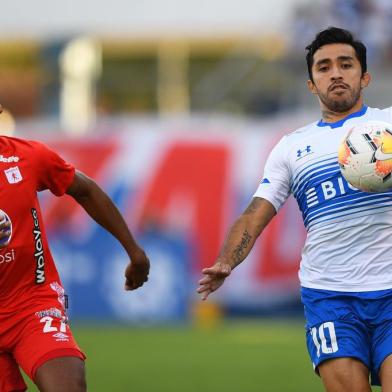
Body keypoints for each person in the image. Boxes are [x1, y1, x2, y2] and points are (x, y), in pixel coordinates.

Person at [197, 26, 392, 391]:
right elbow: (257, 211)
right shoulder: (291, 147)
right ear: (311, 83)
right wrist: (227, 260)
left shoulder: (388, 126)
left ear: (364, 76)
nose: (335, 73)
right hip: (330, 296)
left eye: (346, 64)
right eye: (323, 67)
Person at [0, 111, 150, 392]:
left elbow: (85, 190)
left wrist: (134, 250)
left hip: (32, 303)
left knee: (68, 384)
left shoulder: (27, 157)